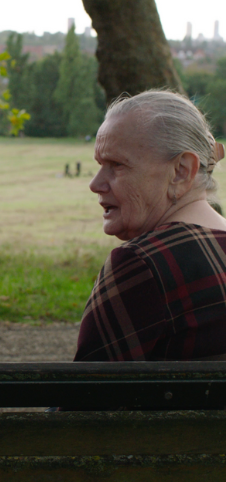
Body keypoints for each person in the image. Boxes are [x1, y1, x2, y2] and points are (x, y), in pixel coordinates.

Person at [75, 90, 226, 362]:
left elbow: (84, 400)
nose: (95, 184)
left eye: (116, 165)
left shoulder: (142, 264)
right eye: (100, 165)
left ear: (181, 171)